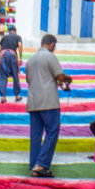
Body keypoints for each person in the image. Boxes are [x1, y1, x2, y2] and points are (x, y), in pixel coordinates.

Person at [24, 34, 72, 177]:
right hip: (48, 101)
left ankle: (34, 164)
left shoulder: (31, 60)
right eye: (54, 46)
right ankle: (42, 164)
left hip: (33, 101)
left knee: (36, 135)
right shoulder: (50, 57)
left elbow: (30, 80)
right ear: (51, 44)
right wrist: (68, 79)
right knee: (52, 132)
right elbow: (60, 76)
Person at [0, 26, 23, 101]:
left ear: (9, 31)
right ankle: (17, 95)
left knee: (2, 76)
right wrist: (20, 58)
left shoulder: (4, 37)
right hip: (12, 54)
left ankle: (3, 97)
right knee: (15, 75)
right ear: (15, 31)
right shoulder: (18, 37)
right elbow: (20, 46)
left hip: (2, 54)